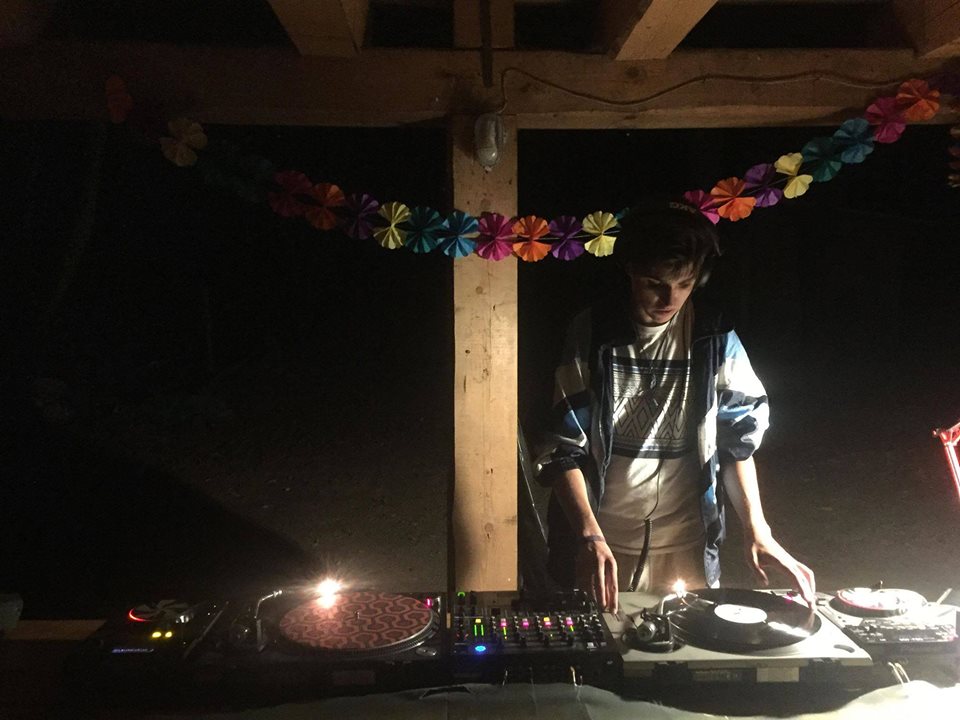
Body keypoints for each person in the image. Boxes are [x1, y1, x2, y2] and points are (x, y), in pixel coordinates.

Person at [536, 197, 815, 613]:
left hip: (687, 544)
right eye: (655, 283)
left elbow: (737, 440)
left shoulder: (713, 336)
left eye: (684, 284)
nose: (670, 298)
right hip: (603, 543)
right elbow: (563, 449)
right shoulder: (593, 333)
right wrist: (589, 537)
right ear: (630, 270)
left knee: (688, 642)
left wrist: (758, 528)